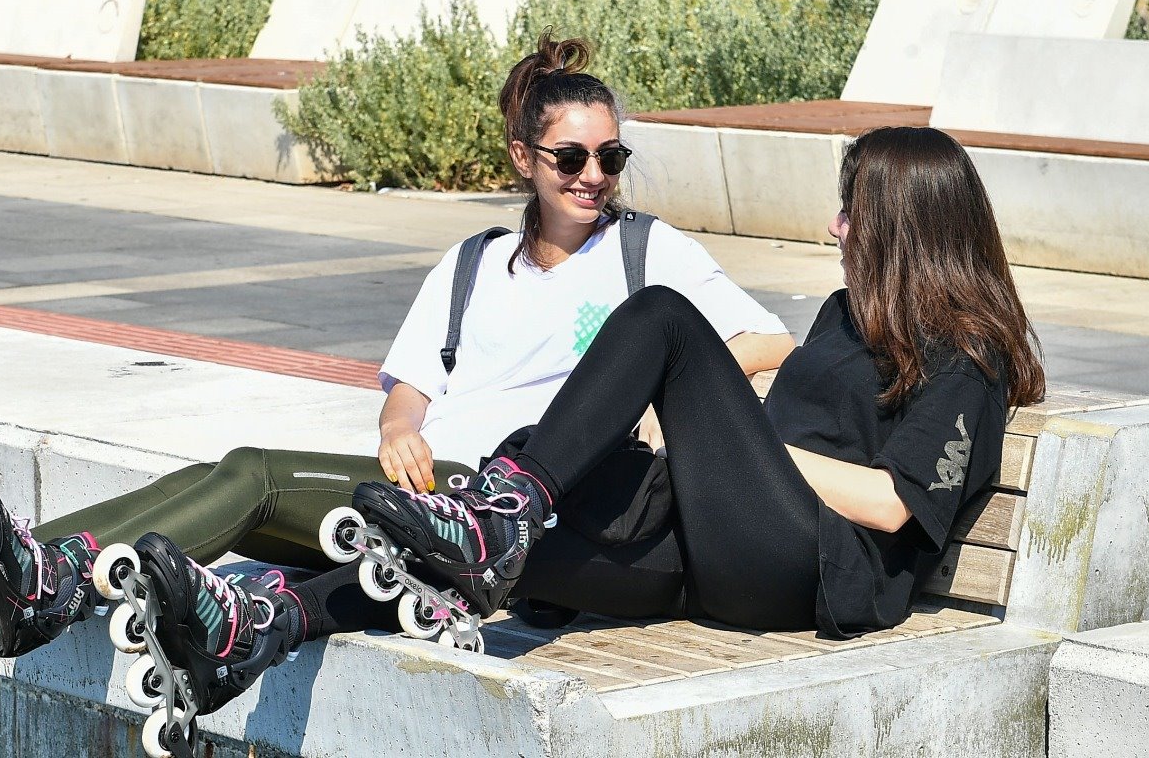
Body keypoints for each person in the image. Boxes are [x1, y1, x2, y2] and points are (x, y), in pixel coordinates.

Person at [0, 32, 792, 708]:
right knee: (224, 475)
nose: (595, 175)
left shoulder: (645, 252)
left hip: (499, 503)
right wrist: (398, 428)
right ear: (524, 157)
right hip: (423, 487)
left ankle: (42, 577)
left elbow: (766, 342)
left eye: (612, 156)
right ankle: (18, 568)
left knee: (256, 478)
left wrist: (643, 409)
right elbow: (411, 385)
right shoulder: (473, 263)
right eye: (573, 157)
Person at [151, 125, 1045, 720]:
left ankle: (507, 507)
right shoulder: (848, 314)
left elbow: (891, 503)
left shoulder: (968, 357)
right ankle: (261, 624)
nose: (835, 227)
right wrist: (701, 452)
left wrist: (736, 443)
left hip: (814, 568)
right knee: (478, 556)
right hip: (717, 553)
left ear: (900, 227)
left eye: (851, 211)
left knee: (661, 316)